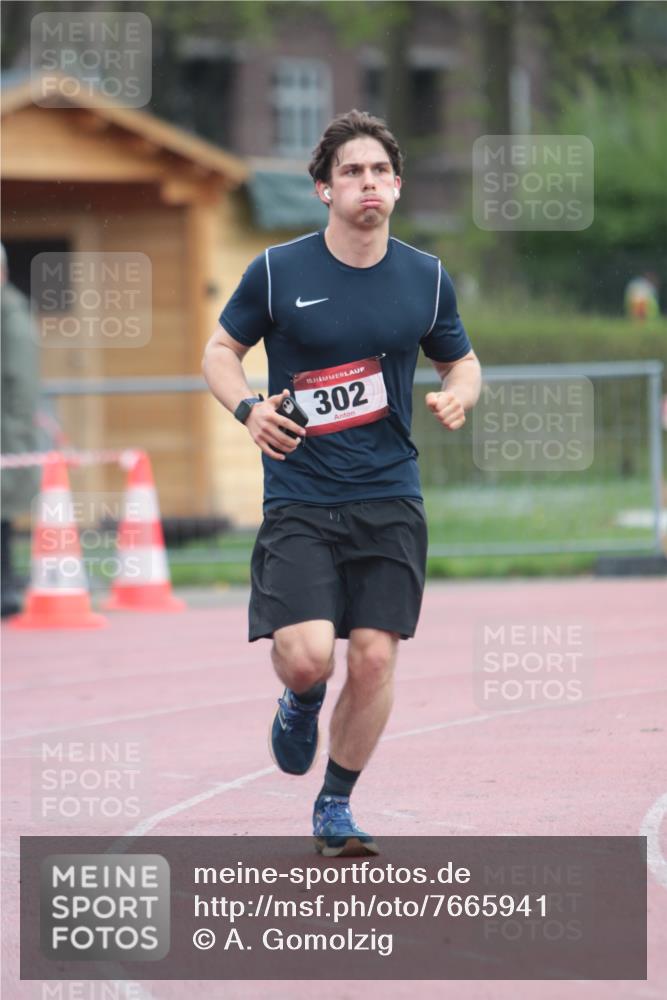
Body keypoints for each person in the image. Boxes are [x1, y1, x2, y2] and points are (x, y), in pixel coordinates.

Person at [202, 109, 482, 856]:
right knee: (308, 656)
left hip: (388, 493)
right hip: (300, 495)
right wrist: (247, 408)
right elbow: (219, 351)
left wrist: (460, 391)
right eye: (351, 171)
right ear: (323, 188)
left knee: (375, 657)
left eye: (380, 171)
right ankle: (299, 699)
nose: (368, 183)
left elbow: (462, 358)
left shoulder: (424, 279)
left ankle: (335, 803)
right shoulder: (277, 270)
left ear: (396, 186)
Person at [1, 243, 40, 618]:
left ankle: (6, 590)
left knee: (3, 514)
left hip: (6, 436)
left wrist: (13, 431)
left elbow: (20, 381)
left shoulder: (11, 318)